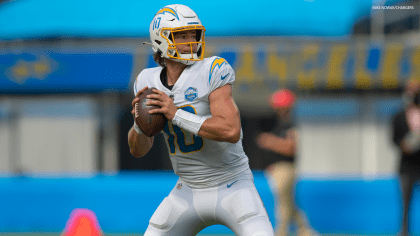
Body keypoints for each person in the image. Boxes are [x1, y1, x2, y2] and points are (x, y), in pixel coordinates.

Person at [127, 4, 274, 236]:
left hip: (233, 184)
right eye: (181, 36)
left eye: (193, 34)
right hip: (187, 189)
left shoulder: (212, 70)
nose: (191, 41)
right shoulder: (147, 81)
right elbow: (138, 150)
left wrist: (175, 114)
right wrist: (139, 124)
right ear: (161, 40)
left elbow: (230, 130)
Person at [256, 89, 315, 236]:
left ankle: (282, 232)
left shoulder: (289, 125)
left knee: (283, 202)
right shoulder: (277, 124)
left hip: (285, 169)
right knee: (288, 202)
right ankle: (305, 230)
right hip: (276, 169)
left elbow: (290, 148)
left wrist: (269, 141)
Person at [391, 77, 420, 236]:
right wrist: (404, 145)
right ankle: (404, 233)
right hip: (406, 167)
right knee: (406, 204)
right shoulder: (398, 116)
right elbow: (393, 139)